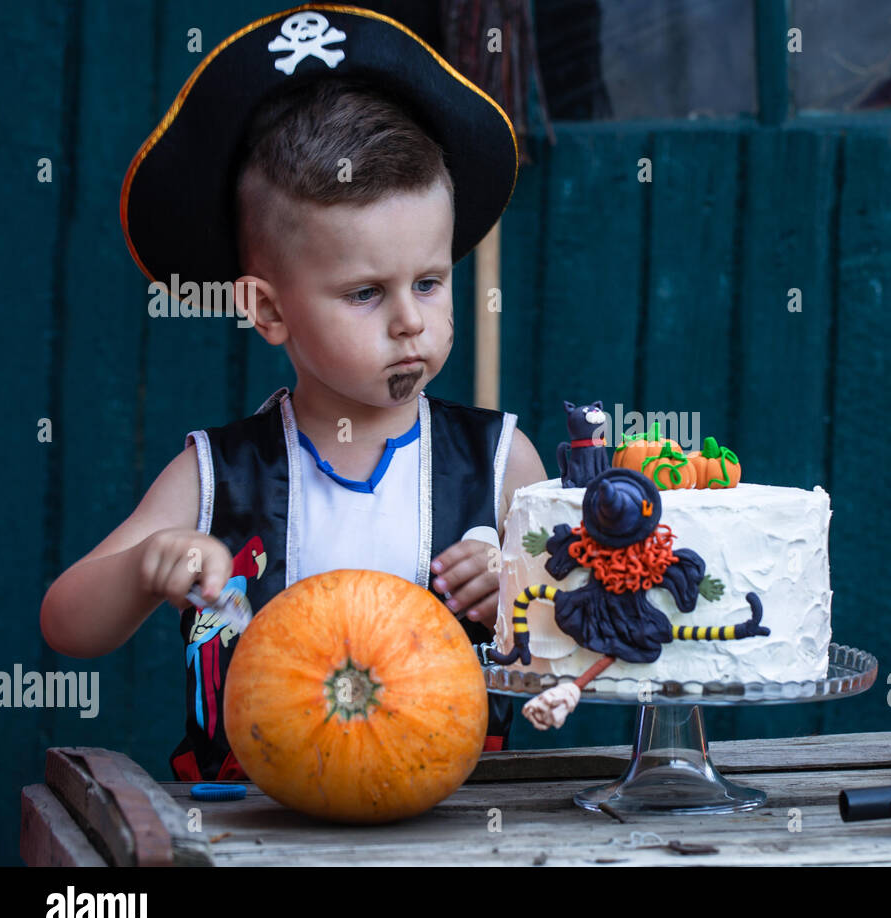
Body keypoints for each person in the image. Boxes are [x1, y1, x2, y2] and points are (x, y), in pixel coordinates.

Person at [38, 8, 546, 780]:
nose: (412, 322)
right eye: (367, 294)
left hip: (461, 828)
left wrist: (517, 594)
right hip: (253, 830)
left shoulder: (501, 463)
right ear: (268, 309)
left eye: (431, 282)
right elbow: (65, 625)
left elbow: (581, 647)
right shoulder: (216, 476)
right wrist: (148, 565)